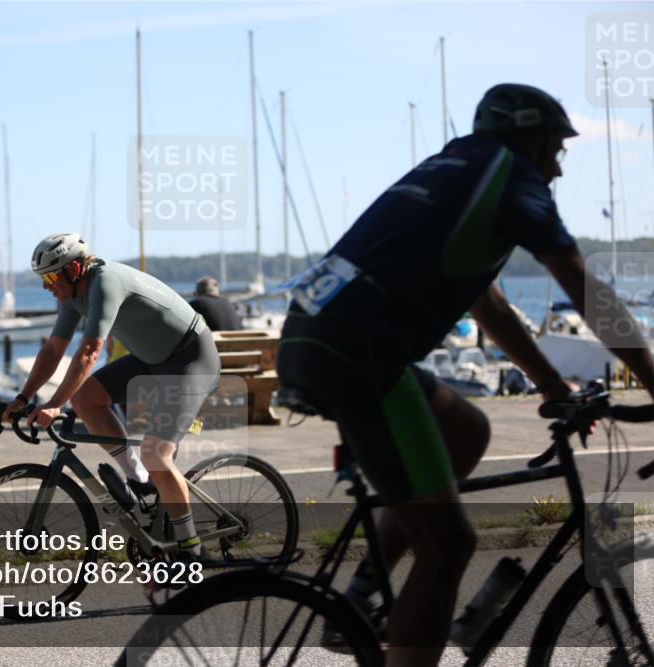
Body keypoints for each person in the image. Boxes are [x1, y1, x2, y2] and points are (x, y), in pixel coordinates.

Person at [277, 83, 654, 666]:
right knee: (449, 547)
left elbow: (489, 306)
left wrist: (552, 385)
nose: (557, 168)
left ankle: (362, 594)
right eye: (556, 150)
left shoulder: (456, 167)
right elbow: (583, 287)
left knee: (468, 431)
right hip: (360, 353)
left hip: (317, 335)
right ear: (529, 141)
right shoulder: (511, 175)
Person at [2, 232, 221, 557]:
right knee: (87, 398)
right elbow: (52, 350)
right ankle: (139, 482)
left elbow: (89, 353)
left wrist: (54, 404)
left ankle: (191, 550)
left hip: (191, 358)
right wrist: (23, 398)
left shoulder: (106, 282)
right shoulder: (72, 297)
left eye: (50, 277)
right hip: (154, 359)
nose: (46, 286)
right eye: (42, 279)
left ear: (73, 270)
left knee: (156, 453)